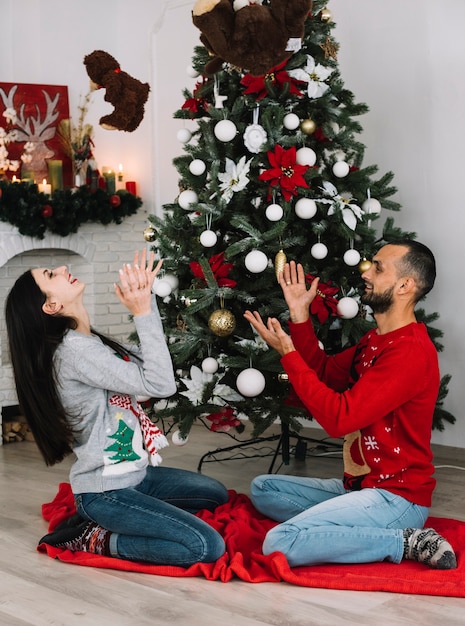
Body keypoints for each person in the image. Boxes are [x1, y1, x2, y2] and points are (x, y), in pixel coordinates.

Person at [5, 249, 228, 567]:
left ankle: (129, 516)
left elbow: (153, 365)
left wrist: (144, 300)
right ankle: (93, 538)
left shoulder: (88, 341)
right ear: (51, 306)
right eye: (51, 275)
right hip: (105, 490)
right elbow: (160, 385)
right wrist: (141, 313)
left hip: (136, 474)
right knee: (206, 547)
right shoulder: (75, 353)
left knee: (214, 494)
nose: (63, 267)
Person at [244, 239, 457, 570]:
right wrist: (300, 317)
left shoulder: (409, 352)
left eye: (378, 268)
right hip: (360, 486)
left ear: (405, 285)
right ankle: (351, 521)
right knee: (263, 489)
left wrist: (288, 354)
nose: (367, 273)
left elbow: (339, 419)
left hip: (396, 497)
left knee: (280, 541)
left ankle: (404, 540)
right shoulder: (375, 340)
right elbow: (326, 374)